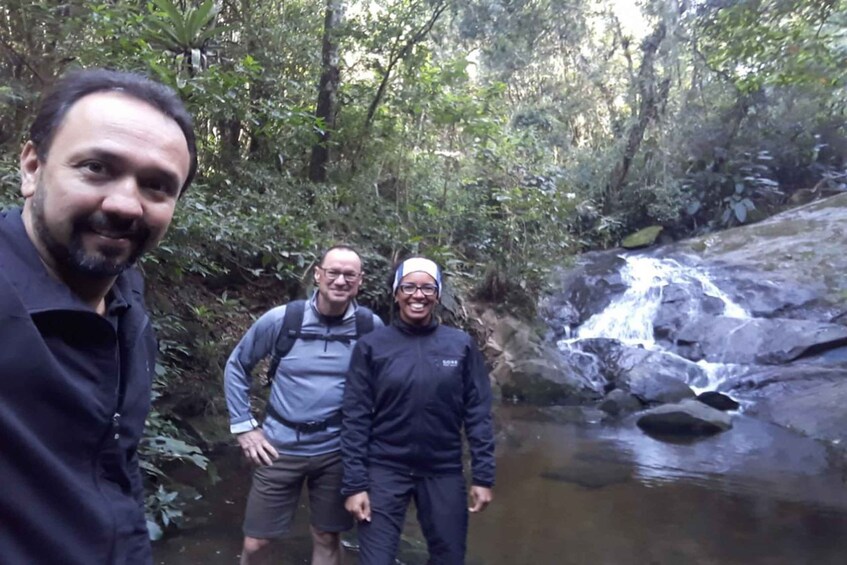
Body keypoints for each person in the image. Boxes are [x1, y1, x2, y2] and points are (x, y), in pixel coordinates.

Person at [0, 68, 197, 564]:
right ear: (31, 168)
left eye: (157, 186)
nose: (125, 204)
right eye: (95, 168)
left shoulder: (127, 298)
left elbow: (116, 465)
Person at [224, 245, 384, 565]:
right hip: (277, 447)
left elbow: (385, 386)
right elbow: (237, 366)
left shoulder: (370, 327)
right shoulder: (283, 319)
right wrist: (244, 428)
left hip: (337, 451)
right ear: (318, 274)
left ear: (360, 281)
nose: (340, 281)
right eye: (333, 272)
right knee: (257, 541)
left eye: (349, 275)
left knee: (327, 536)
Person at [341, 257, 496, 565]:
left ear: (437, 295)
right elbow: (355, 416)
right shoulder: (372, 346)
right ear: (396, 293)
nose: (418, 295)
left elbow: (478, 412)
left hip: (443, 469)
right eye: (409, 286)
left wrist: (483, 477)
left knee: (449, 558)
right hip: (384, 468)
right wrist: (355, 484)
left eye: (427, 287)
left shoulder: (460, 345)